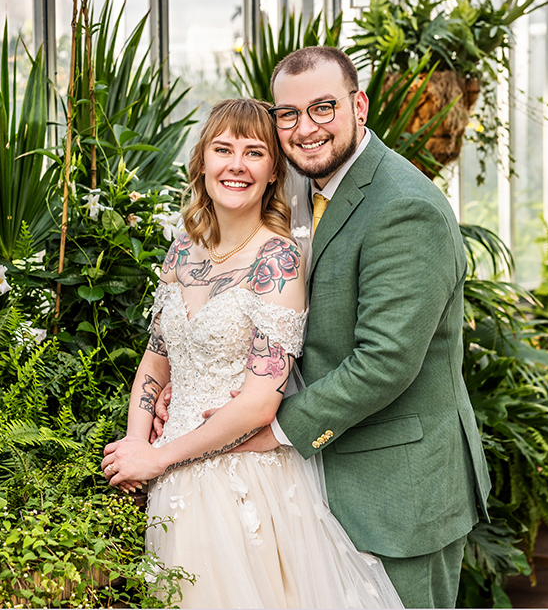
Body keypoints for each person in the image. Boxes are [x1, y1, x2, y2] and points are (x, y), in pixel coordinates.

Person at [155, 47, 492, 609]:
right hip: (314, 488)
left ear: (359, 106)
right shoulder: (302, 193)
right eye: (288, 114)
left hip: (396, 488)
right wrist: (193, 379)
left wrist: (270, 427)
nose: (304, 128)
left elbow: (384, 361)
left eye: (323, 108)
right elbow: (282, 321)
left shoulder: (404, 207)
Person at [100, 98, 402, 609]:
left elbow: (262, 401)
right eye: (222, 149)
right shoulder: (182, 250)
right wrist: (134, 446)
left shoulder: (278, 259)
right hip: (170, 479)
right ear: (202, 163)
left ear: (272, 173)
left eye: (254, 152)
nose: (235, 164)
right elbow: (156, 360)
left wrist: (156, 457)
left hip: (239, 477)